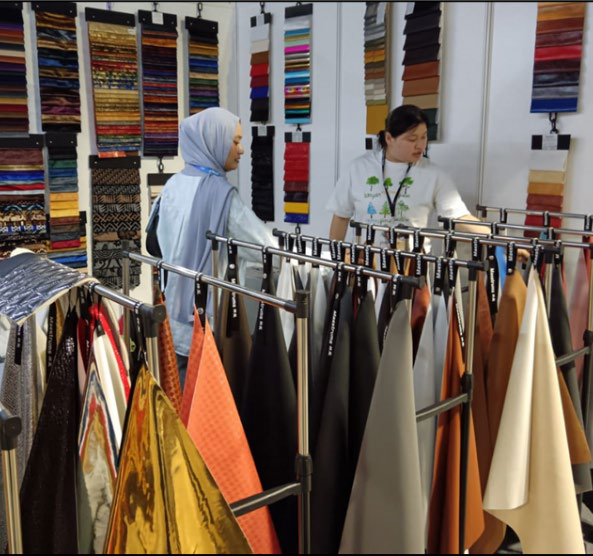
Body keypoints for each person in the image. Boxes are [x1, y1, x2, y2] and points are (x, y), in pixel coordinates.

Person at [152, 107, 276, 384]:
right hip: (208, 324)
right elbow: (268, 251)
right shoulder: (222, 196)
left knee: (180, 398)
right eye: (235, 141)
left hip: (173, 316)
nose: (241, 150)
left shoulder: (172, 185)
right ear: (214, 141)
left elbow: (158, 242)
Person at [326, 104, 486, 248]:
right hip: (368, 264)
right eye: (412, 139)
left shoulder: (434, 174)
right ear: (389, 138)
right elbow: (341, 217)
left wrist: (493, 237)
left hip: (413, 265)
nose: (420, 145)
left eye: (424, 137)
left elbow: (458, 217)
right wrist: (336, 260)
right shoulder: (358, 169)